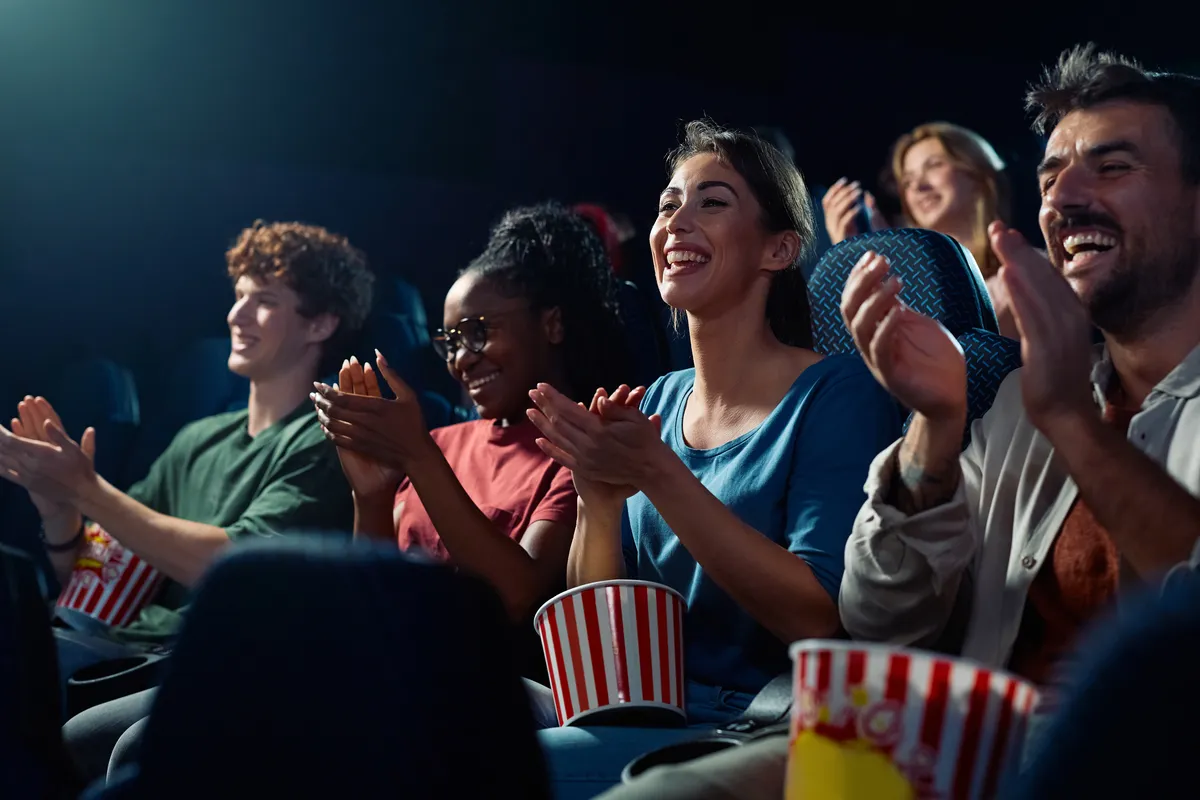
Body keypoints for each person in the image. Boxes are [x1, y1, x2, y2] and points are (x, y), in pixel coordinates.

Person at [591, 43, 1200, 800]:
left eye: (1112, 167)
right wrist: (935, 429)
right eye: (1050, 176)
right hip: (945, 747)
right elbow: (879, 625)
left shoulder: (1044, 400)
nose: (1064, 197)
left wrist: (1072, 421)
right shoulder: (1015, 403)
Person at [526, 121, 905, 799]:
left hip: (751, 724)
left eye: (713, 202)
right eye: (670, 203)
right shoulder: (660, 401)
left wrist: (658, 475)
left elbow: (816, 614)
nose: (678, 221)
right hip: (641, 711)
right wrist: (599, 500)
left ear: (779, 248)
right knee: (425, 697)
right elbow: (606, 653)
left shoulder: (836, 393)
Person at [3, 220, 371, 781]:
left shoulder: (323, 441)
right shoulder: (197, 440)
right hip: (112, 645)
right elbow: (93, 582)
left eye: (264, 301)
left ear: (321, 323)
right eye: (239, 297)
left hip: (198, 658)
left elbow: (236, 568)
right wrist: (58, 508)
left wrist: (88, 490)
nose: (237, 315)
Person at [312, 203, 631, 631]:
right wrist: (370, 496)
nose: (461, 360)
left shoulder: (580, 447)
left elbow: (519, 597)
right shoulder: (440, 442)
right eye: (450, 341)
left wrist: (420, 458)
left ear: (552, 325)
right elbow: (370, 601)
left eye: (478, 332)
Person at [823, 122, 1019, 338]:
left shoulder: (1026, 271)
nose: (918, 187)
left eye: (934, 165)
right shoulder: (909, 286)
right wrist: (858, 259)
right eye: (907, 181)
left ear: (978, 174)